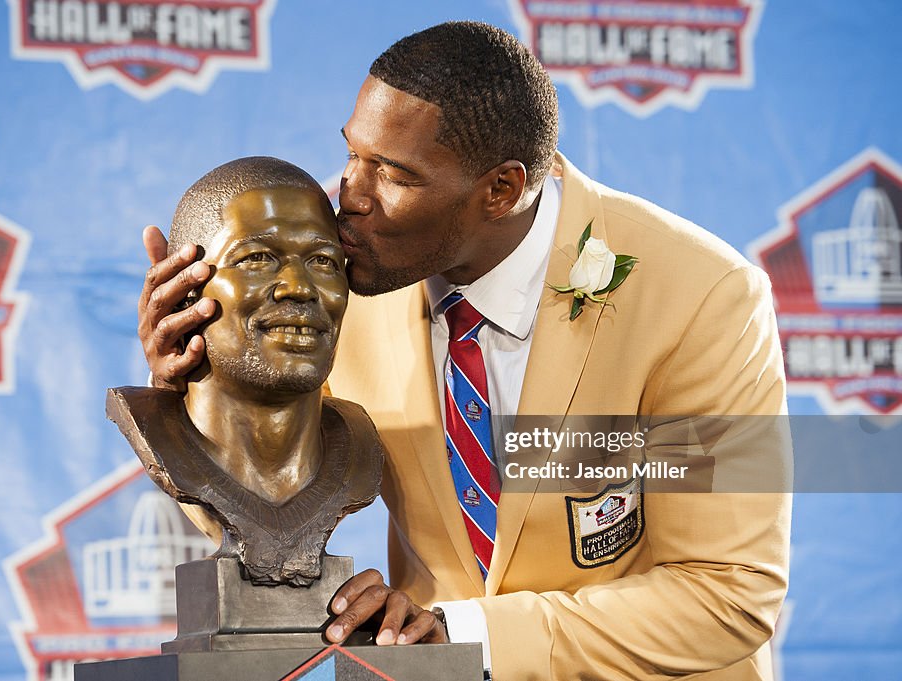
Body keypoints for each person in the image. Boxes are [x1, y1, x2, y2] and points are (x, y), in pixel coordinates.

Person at [137, 22, 790, 681]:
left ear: (500, 190)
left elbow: (727, 591)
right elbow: (257, 503)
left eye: (392, 174)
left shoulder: (702, 296)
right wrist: (197, 385)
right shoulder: (339, 283)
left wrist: (466, 632)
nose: (349, 199)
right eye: (353, 156)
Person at [113, 157, 384, 588]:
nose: (298, 286)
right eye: (257, 258)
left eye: (323, 261)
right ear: (182, 289)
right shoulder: (167, 424)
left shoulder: (358, 431)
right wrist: (171, 391)